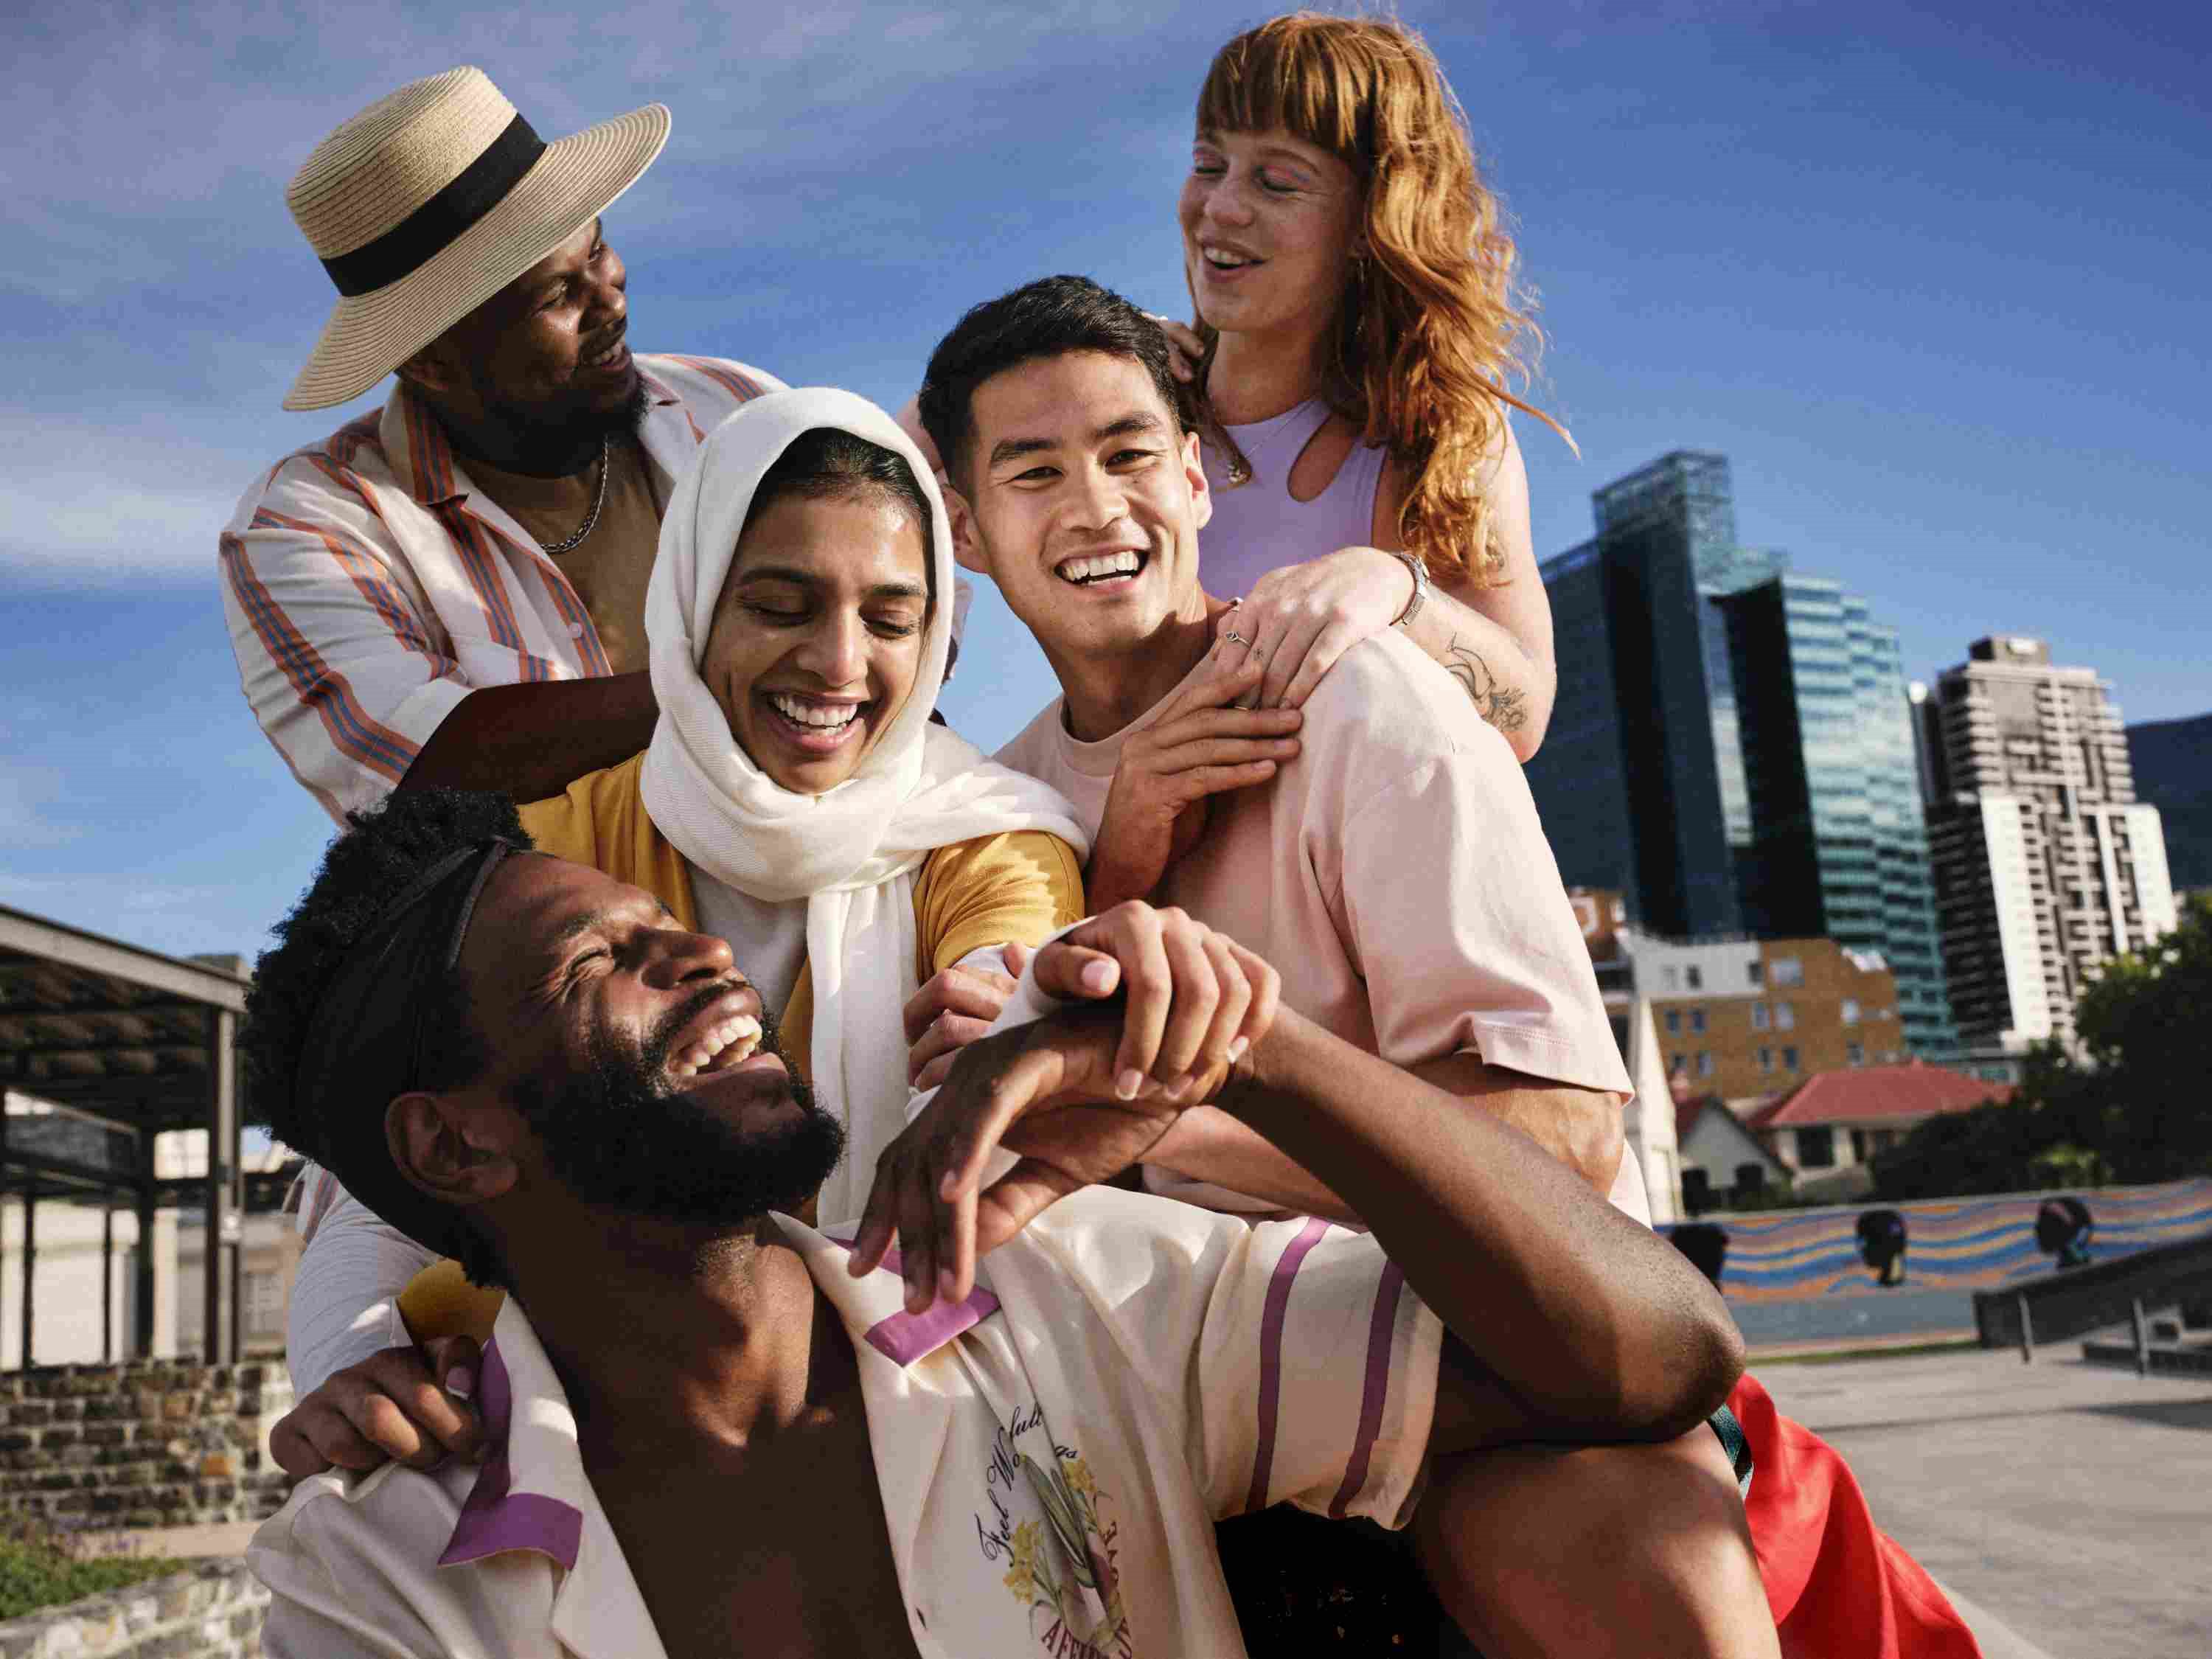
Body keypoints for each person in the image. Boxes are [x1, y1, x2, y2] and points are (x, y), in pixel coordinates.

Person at [241, 788, 1751, 1658]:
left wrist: (1253, 1053)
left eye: (672, 928)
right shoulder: (384, 1564)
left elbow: (1656, 1359)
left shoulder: (1060, 1299)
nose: (703, 957)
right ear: (455, 1141)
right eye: (603, 965)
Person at [914, 275, 1786, 1653]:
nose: (1095, 507)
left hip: (1462, 1330)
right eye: (1032, 471)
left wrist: (1162, 1124)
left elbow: (1561, 1138)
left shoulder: (1359, 699)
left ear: (1197, 482)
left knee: (1639, 1550)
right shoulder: (986, 809)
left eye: (1132, 454)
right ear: (963, 527)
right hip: (1157, 1360)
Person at [282, 389, 1089, 1393]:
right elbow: (400, 1166)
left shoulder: (986, 830)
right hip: (617, 1417)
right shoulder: (555, 848)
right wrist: (353, 1364)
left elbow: (1003, 989)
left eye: (891, 618)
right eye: (779, 607)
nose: (840, 664)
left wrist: (1006, 1025)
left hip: (932, 1394)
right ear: (692, 606)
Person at [223, 66, 783, 821]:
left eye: (597, 252)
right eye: (557, 295)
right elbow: (415, 770)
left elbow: (909, 614)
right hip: (586, 935)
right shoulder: (310, 523)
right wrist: (755, 682)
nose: (610, 298)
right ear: (430, 359)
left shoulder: (738, 410)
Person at [1150, 13, 1565, 759]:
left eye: (1277, 181)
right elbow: (902, 473)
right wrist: (1079, 345)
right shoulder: (1129, 405)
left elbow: (1522, 718)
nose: (1221, 207)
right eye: (1210, 164)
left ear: (1371, 219)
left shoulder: (1439, 438)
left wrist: (1397, 591)